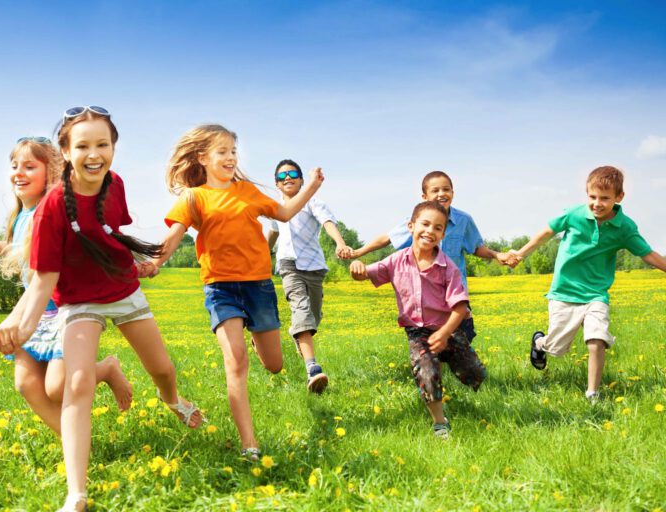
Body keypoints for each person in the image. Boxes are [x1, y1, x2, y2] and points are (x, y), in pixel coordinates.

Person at [0, 107, 202, 512]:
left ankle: (173, 400)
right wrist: (20, 324)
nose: (94, 154)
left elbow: (112, 231)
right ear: (66, 152)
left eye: (102, 144)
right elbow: (42, 280)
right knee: (77, 383)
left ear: (113, 147)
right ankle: (77, 494)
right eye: (83, 145)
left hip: (122, 288)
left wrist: (140, 260)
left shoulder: (115, 184)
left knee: (162, 369)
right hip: (78, 301)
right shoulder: (53, 207)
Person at [147, 124, 324, 459]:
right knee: (235, 362)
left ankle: (257, 336)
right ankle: (249, 444)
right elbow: (175, 235)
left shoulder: (247, 191)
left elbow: (284, 212)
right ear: (203, 157)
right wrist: (155, 262)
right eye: (222, 152)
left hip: (257, 286)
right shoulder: (194, 197)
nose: (230, 157)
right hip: (220, 287)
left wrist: (311, 186)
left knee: (273, 365)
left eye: (233, 152)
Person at [0, 137, 132, 436]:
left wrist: (15, 318)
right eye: (15, 165)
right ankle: (75, 444)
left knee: (57, 387)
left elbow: (45, 276)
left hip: (60, 311)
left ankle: (106, 368)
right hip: (34, 312)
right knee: (26, 383)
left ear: (52, 172)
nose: (19, 172)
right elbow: (10, 247)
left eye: (30, 166)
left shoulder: (48, 212)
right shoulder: (20, 215)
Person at [510, 165, 666, 402]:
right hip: (564, 292)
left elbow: (648, 254)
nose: (597, 203)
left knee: (597, 340)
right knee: (557, 348)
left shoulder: (624, 227)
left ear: (619, 197)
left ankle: (592, 393)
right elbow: (546, 233)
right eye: (592, 197)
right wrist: (521, 254)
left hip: (596, 294)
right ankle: (540, 343)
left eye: (604, 198)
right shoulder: (573, 215)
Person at [349, 201, 487, 438]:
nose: (430, 231)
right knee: (425, 370)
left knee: (472, 373)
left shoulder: (448, 268)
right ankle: (440, 422)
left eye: (437, 228)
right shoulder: (395, 261)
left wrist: (444, 334)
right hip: (417, 332)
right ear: (411, 226)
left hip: (449, 330)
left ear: (443, 233)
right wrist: (357, 267)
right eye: (425, 224)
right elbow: (366, 274)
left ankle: (475, 379)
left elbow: (461, 307)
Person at [347, 170, 515, 341]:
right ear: (425, 196)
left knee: (463, 340)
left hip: (454, 292)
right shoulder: (419, 220)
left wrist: (496, 254)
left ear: (452, 193)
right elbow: (388, 238)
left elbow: (476, 247)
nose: (441, 194)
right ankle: (435, 364)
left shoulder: (464, 220)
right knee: (430, 343)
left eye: (446, 189)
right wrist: (359, 252)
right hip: (428, 295)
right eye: (435, 191)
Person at [266, 158, 350, 393]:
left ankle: (301, 339)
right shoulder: (276, 208)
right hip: (288, 265)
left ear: (302, 180)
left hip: (313, 266)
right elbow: (273, 232)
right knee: (301, 311)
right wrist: (263, 255)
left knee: (313, 316)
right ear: (277, 184)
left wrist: (340, 243)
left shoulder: (313, 201)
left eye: (292, 174)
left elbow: (327, 222)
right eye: (282, 177)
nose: (288, 178)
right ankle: (313, 368)